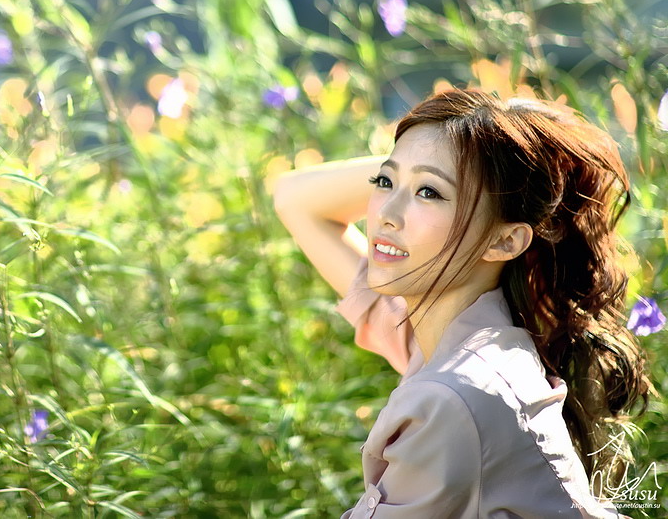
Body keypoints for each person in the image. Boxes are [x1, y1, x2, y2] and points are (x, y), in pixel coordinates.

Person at [273, 88, 653, 517]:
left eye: (429, 193)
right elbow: (293, 198)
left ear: (504, 239)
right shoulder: (453, 335)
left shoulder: (453, 396)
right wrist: (445, 144)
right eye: (384, 183)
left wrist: (469, 151)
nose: (385, 214)